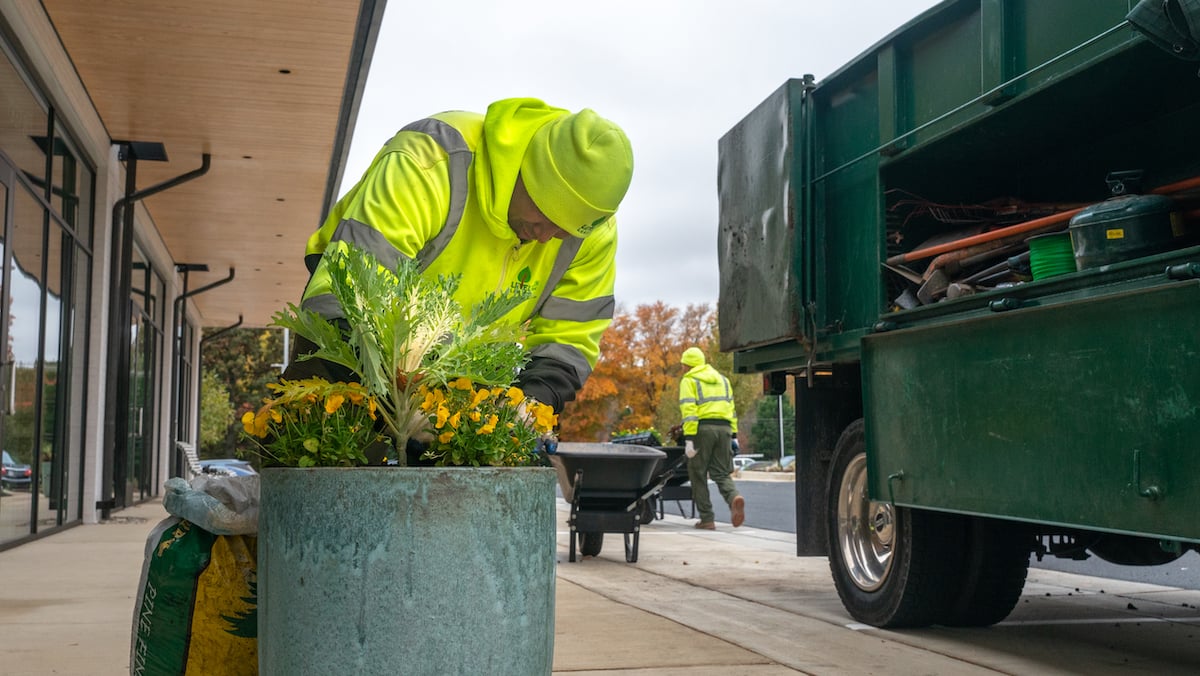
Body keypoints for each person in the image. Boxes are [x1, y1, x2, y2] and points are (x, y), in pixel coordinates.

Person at [285, 97, 634, 417]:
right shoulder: (432, 157)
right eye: (544, 217)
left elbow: (570, 338)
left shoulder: (591, 231)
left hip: (464, 367)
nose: (546, 237)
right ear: (523, 175)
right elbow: (353, 290)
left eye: (563, 232)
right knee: (327, 449)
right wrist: (405, 407)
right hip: (351, 337)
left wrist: (529, 405)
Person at [677, 346, 744, 529]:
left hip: (702, 429)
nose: (682, 368)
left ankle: (707, 519)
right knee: (721, 472)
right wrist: (734, 435)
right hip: (725, 429)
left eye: (683, 364)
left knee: (698, 473)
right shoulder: (723, 380)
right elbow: (731, 409)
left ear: (688, 365)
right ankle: (733, 498)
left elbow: (689, 410)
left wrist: (689, 438)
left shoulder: (689, 380)